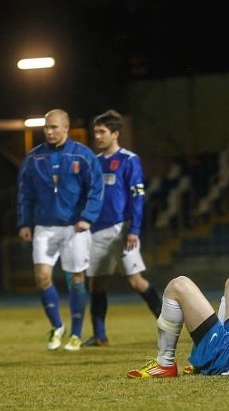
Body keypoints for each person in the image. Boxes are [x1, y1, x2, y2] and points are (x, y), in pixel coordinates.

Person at [17, 109, 104, 351]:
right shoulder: (33, 158)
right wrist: (24, 223)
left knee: (77, 278)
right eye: (46, 127)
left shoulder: (84, 156)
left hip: (74, 228)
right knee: (42, 277)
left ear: (66, 128)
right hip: (44, 227)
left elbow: (96, 189)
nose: (49, 131)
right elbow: (25, 194)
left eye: (54, 127)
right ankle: (57, 326)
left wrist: (87, 217)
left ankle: (76, 334)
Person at [83, 109, 161, 347]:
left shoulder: (129, 160)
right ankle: (99, 335)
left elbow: (137, 196)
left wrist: (135, 229)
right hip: (97, 231)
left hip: (122, 228)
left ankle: (167, 323)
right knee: (96, 282)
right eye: (95, 132)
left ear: (115, 133)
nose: (97, 136)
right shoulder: (94, 163)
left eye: (102, 132)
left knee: (136, 281)